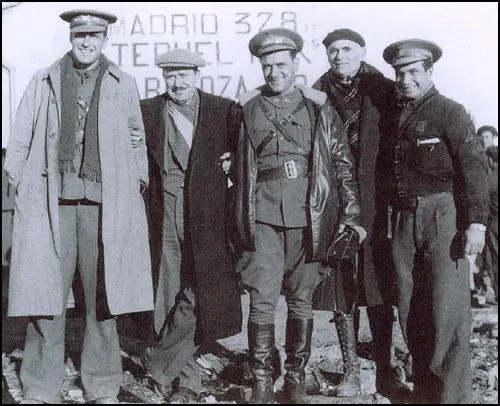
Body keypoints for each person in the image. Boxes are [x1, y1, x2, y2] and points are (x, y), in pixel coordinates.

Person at [3, 9, 154, 404]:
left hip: (104, 206)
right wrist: (17, 179)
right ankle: (40, 387)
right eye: (80, 35)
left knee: (102, 297)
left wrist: (138, 178)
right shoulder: (45, 80)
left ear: (105, 40)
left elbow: (137, 137)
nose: (87, 42)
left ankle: (102, 386)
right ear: (71, 38)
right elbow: (21, 136)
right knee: (45, 296)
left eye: (94, 36)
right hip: (51, 205)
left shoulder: (122, 83)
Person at [232, 27, 365, 404]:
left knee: (301, 299)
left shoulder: (318, 109)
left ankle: (295, 379)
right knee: (261, 299)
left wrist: (351, 216)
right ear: (260, 68)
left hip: (311, 217)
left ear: (295, 64)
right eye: (267, 66)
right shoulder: (245, 110)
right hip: (263, 219)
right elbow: (233, 162)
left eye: (281, 64)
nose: (274, 72)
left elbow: (342, 165)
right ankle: (261, 382)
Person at [382, 39, 489, 403]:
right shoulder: (394, 114)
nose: (406, 79)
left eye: (414, 72)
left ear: (430, 72)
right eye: (400, 73)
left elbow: (474, 168)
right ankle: (426, 393)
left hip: (443, 216)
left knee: (447, 312)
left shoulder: (449, 111)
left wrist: (476, 223)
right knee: (410, 308)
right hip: (401, 219)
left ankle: (453, 398)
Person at [138, 49, 242, 403]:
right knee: (166, 289)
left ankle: (160, 361)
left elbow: (245, 153)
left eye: (184, 74)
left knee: (198, 289)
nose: (177, 82)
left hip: (207, 214)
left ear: (197, 74)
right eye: (171, 75)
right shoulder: (147, 111)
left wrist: (234, 162)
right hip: (164, 210)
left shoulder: (223, 110)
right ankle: (187, 380)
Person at [312, 28, 411, 399]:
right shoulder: (316, 93)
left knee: (380, 287)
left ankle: (385, 371)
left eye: (347, 49)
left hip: (377, 203)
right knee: (343, 286)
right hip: (335, 204)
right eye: (333, 50)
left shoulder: (384, 90)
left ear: (362, 51)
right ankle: (351, 372)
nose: (340, 56)